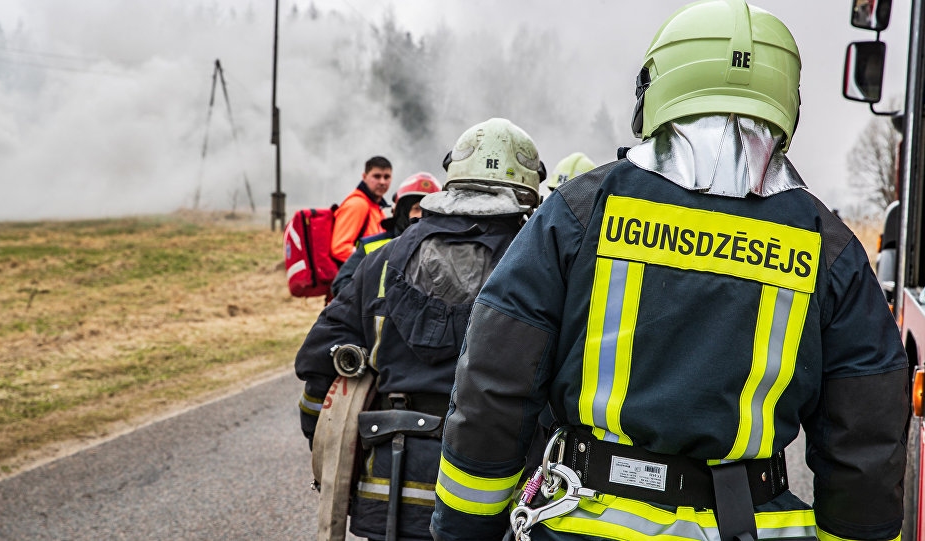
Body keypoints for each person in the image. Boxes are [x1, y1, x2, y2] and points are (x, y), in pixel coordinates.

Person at [431, 2, 909, 541]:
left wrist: (464, 526)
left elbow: (496, 377)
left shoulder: (581, 210)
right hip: (751, 523)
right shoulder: (831, 247)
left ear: (655, 86)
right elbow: (868, 428)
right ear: (786, 100)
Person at [296, 118, 545, 541]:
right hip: (490, 503)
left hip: (385, 492)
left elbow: (318, 367)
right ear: (527, 191)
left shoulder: (381, 260)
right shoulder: (534, 269)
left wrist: (335, 451)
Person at [331, 172, 442, 297]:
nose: (423, 215)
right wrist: (374, 303)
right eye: (417, 208)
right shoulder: (372, 247)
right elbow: (342, 284)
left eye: (429, 211)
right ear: (403, 213)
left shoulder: (446, 249)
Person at [331, 156, 393, 263]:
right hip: (352, 277)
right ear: (364, 177)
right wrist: (372, 264)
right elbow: (340, 248)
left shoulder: (377, 209)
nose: (382, 182)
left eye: (386, 177)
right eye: (377, 176)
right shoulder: (357, 204)